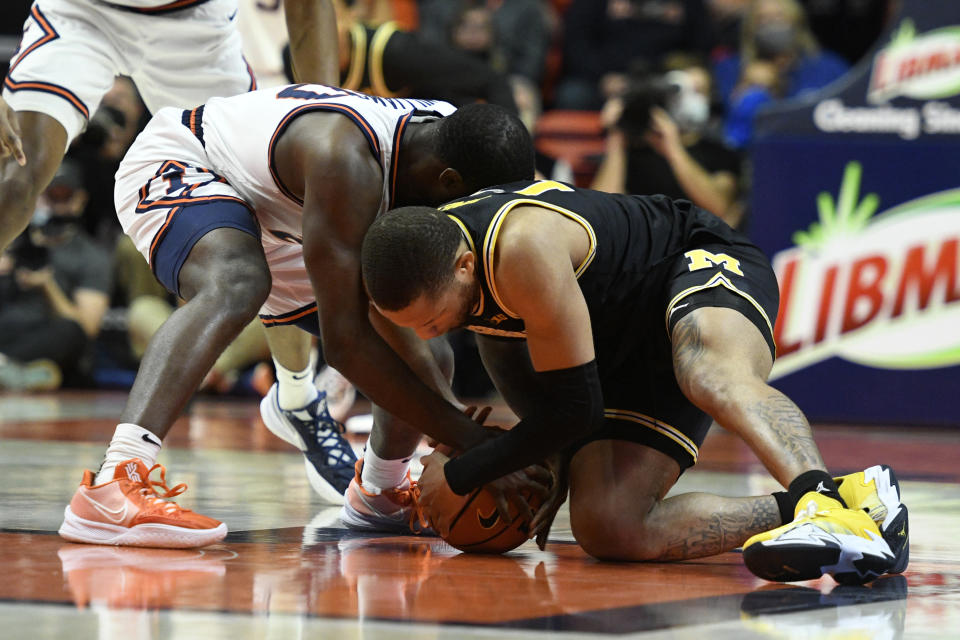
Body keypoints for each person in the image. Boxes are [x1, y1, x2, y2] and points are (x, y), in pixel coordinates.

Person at [57, 83, 545, 548]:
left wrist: (526, 437)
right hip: (186, 163)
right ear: (451, 184)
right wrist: (467, 438)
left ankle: (379, 494)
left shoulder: (453, 142)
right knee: (238, 282)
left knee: (426, 349)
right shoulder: (346, 161)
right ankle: (114, 481)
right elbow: (345, 344)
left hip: (284, 213)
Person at [359, 180, 909, 584]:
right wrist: (543, 463)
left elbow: (576, 411)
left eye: (433, 319)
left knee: (709, 373)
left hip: (688, 260)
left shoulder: (520, 249)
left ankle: (822, 501)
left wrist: (466, 472)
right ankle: (852, 502)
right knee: (610, 527)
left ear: (462, 266)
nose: (432, 332)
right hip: (613, 345)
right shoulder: (438, 263)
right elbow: (535, 383)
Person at [0, 0, 338, 253]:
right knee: (14, 176)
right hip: (82, 12)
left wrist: (325, 113)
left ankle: (293, 351)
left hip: (195, 24)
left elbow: (308, 7)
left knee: (270, 204)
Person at [0, 159, 111, 390]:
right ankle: (11, 371)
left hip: (45, 337)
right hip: (6, 330)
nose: (56, 206)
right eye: (50, 196)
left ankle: (11, 369)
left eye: (64, 197)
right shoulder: (9, 240)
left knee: (71, 332)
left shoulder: (91, 256)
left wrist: (47, 285)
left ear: (79, 200)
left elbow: (87, 327)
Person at [592, 60, 744, 228]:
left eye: (699, 91)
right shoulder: (633, 152)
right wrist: (617, 135)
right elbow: (600, 214)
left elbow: (719, 208)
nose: (692, 100)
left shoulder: (720, 153)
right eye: (682, 91)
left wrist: (673, 148)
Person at [712, 0, 849, 148]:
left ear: (797, 22)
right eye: (763, 18)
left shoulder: (829, 67)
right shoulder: (732, 68)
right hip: (756, 158)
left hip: (817, 150)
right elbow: (731, 134)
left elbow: (851, 116)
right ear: (751, 27)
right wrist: (746, 86)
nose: (772, 24)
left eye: (779, 17)